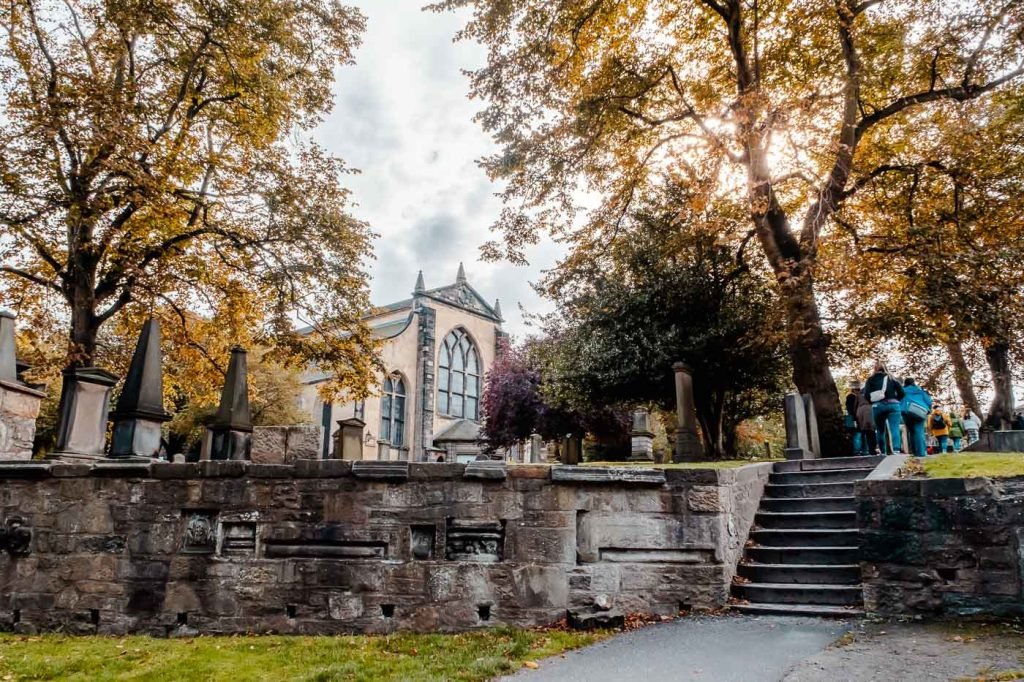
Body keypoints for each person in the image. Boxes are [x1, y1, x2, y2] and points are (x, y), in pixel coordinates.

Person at [862, 361, 905, 455]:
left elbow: (866, 395)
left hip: (878, 406)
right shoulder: (891, 378)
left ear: (874, 368)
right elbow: (902, 393)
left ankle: (883, 451)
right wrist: (895, 400)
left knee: (880, 430)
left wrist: (872, 402)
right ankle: (896, 450)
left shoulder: (870, 380)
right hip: (893, 405)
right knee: (894, 428)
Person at [900, 378, 932, 457]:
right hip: (920, 412)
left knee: (911, 432)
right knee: (919, 431)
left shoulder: (903, 391)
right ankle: (921, 452)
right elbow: (929, 402)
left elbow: (899, 401)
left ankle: (914, 451)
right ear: (913, 383)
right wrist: (928, 410)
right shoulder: (920, 391)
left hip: (907, 412)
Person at [854, 386, 876, 456]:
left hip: (860, 412)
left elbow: (855, 406)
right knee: (871, 432)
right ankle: (872, 450)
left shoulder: (858, 395)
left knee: (863, 432)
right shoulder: (871, 394)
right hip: (869, 411)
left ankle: (863, 450)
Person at [846, 382, 865, 455]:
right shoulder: (853, 397)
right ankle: (858, 450)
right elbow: (851, 409)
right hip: (856, 417)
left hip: (855, 417)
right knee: (858, 434)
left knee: (857, 434)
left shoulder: (850, 396)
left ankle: (858, 450)